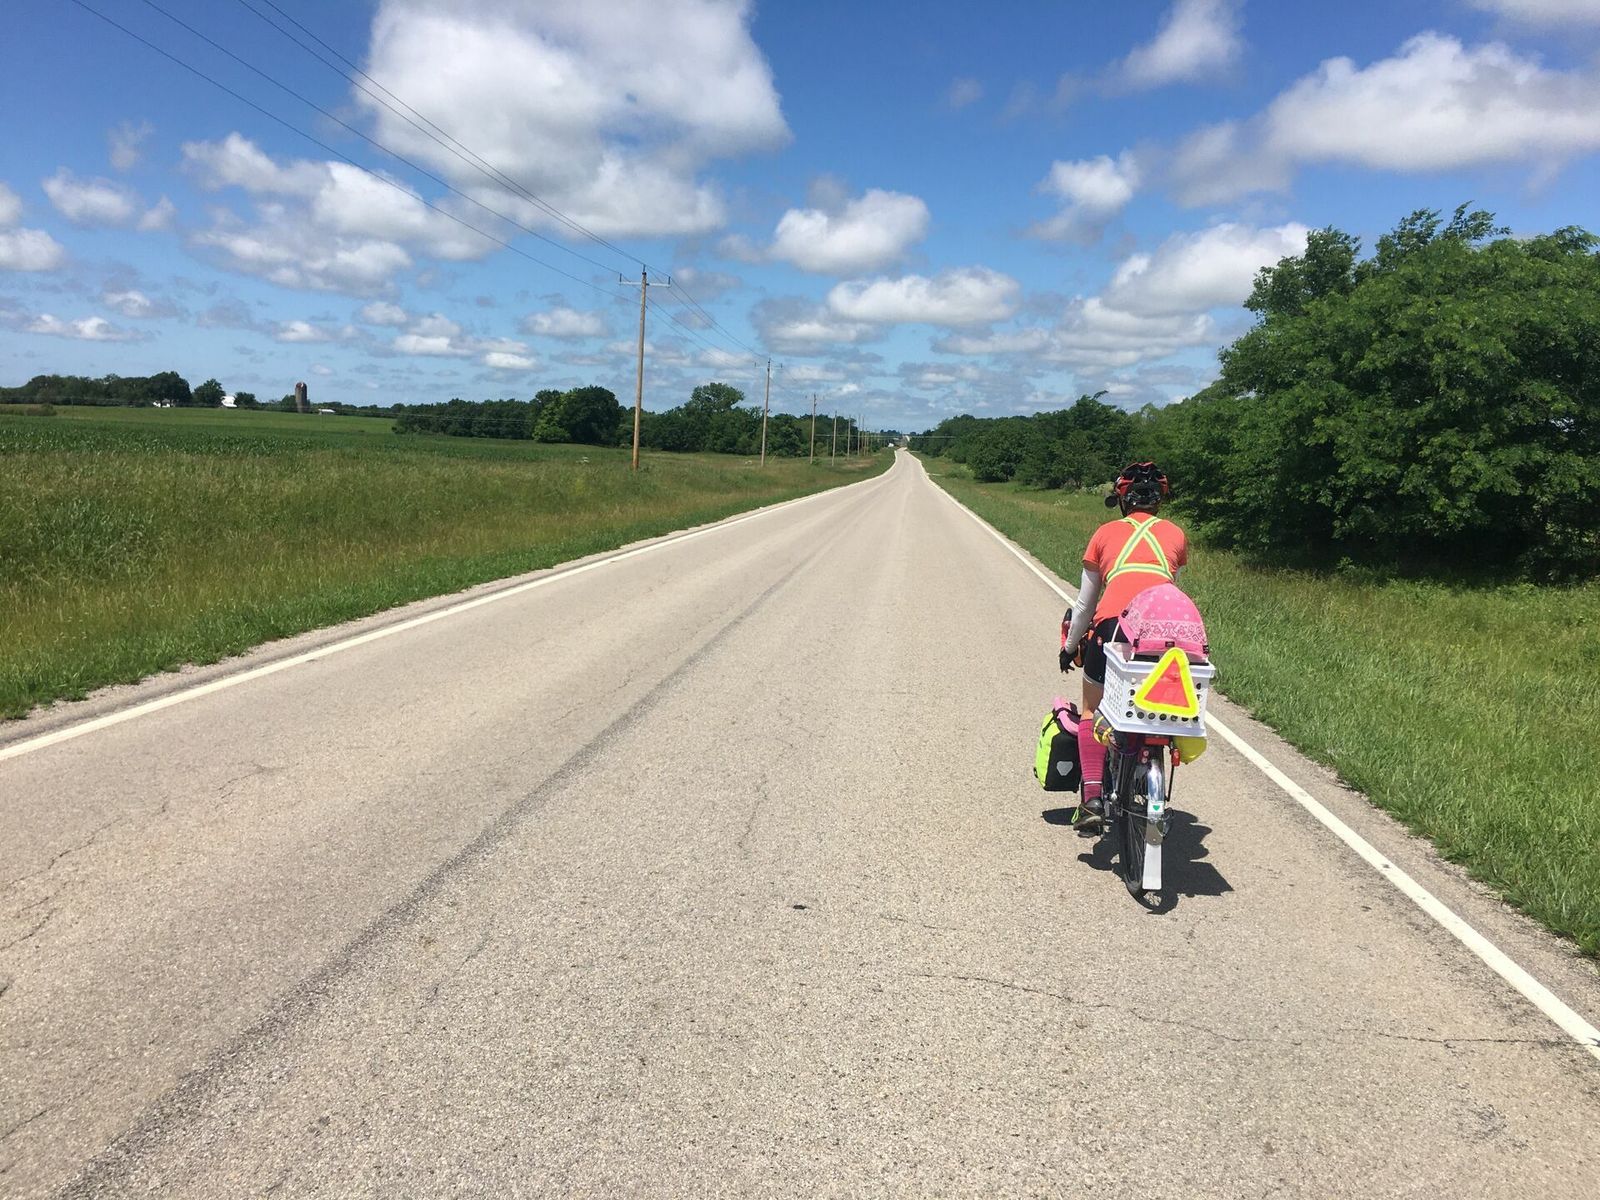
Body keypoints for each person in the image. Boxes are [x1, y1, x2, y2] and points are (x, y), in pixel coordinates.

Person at [1059, 462, 1188, 824]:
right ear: (1159, 499)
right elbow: (1168, 590)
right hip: (1166, 631)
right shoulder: (1176, 534)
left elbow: (1084, 606)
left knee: (1091, 709)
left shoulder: (1105, 534)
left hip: (1113, 626)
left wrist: (1069, 647)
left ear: (1122, 499)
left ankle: (1092, 799)